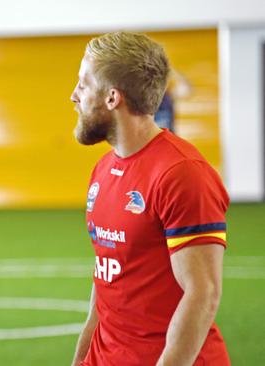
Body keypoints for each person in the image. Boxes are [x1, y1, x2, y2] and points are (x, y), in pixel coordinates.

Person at [69, 32, 230, 366]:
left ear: (112, 98)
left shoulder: (182, 174)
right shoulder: (102, 169)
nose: (74, 96)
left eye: (83, 84)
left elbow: (203, 294)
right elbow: (107, 277)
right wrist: (83, 357)